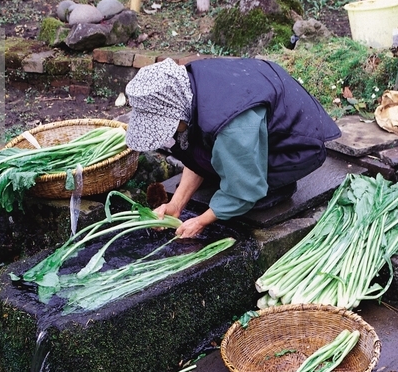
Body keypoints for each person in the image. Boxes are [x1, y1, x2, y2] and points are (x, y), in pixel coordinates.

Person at [123, 57, 341, 239]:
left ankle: (277, 187)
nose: (169, 134)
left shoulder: (232, 128)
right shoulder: (188, 88)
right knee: (218, 157)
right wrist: (176, 204)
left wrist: (201, 221)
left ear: (176, 111)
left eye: (168, 126)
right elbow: (197, 148)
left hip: (297, 144)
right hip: (260, 109)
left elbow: (244, 188)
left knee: (248, 193)